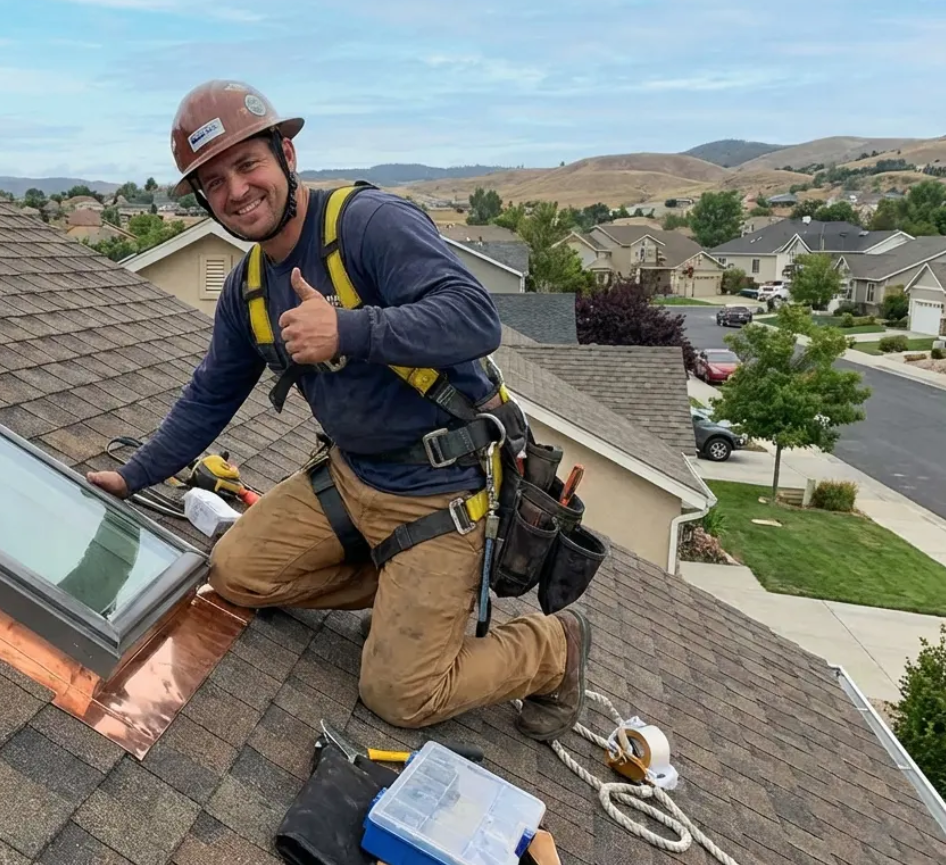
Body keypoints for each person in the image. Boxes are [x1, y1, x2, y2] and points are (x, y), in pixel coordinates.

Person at [85, 80, 591, 741]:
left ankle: (556, 646)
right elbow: (210, 394)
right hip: (351, 481)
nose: (235, 191)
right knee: (235, 572)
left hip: (439, 493)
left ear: (286, 154)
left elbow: (474, 318)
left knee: (398, 695)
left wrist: (351, 330)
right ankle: (401, 593)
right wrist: (132, 476)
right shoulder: (248, 292)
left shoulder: (368, 224)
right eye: (213, 181)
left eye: (246, 164)